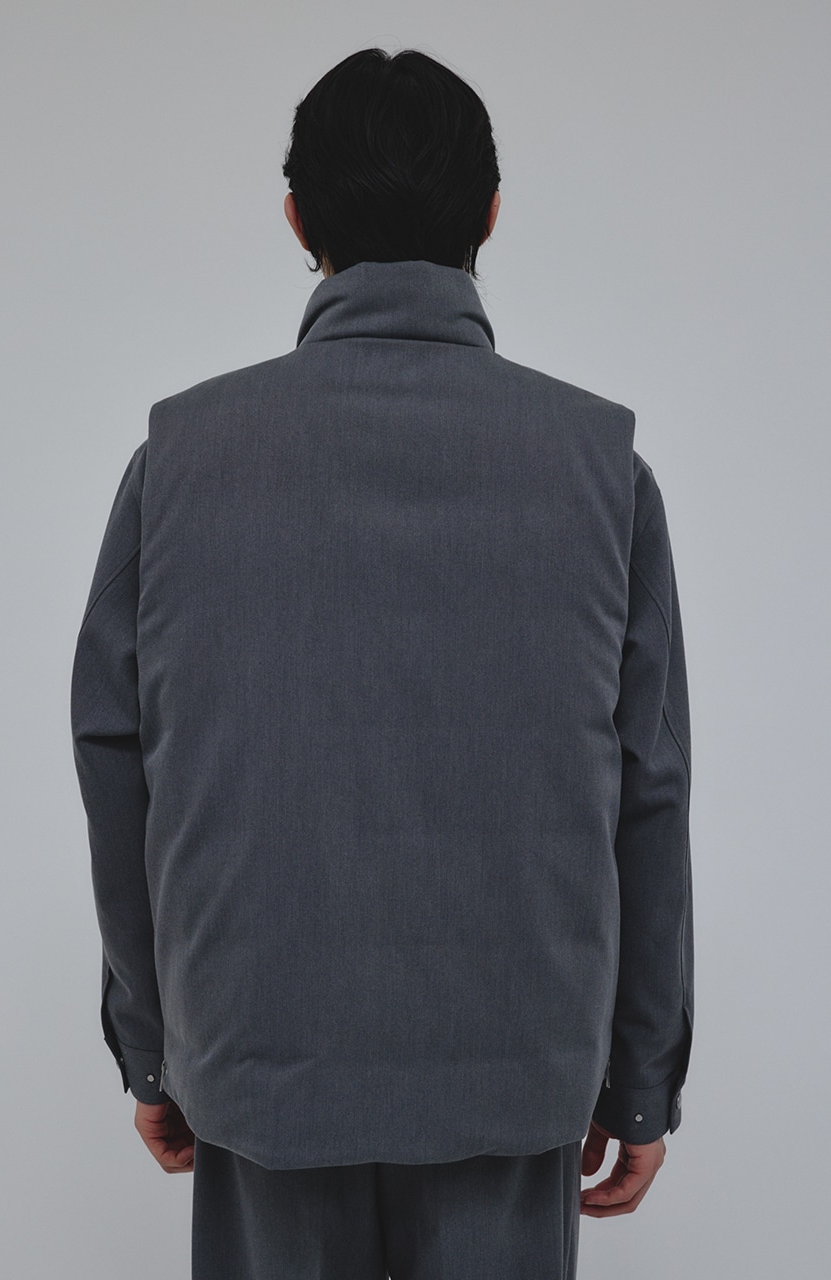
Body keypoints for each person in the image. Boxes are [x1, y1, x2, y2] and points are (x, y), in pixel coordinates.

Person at [70, 46, 693, 1280]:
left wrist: (153, 1051)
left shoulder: (179, 459)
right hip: (514, 1063)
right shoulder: (600, 467)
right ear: (490, 215)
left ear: (297, 219)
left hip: (258, 1055)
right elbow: (649, 788)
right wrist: (639, 1078)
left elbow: (115, 760)